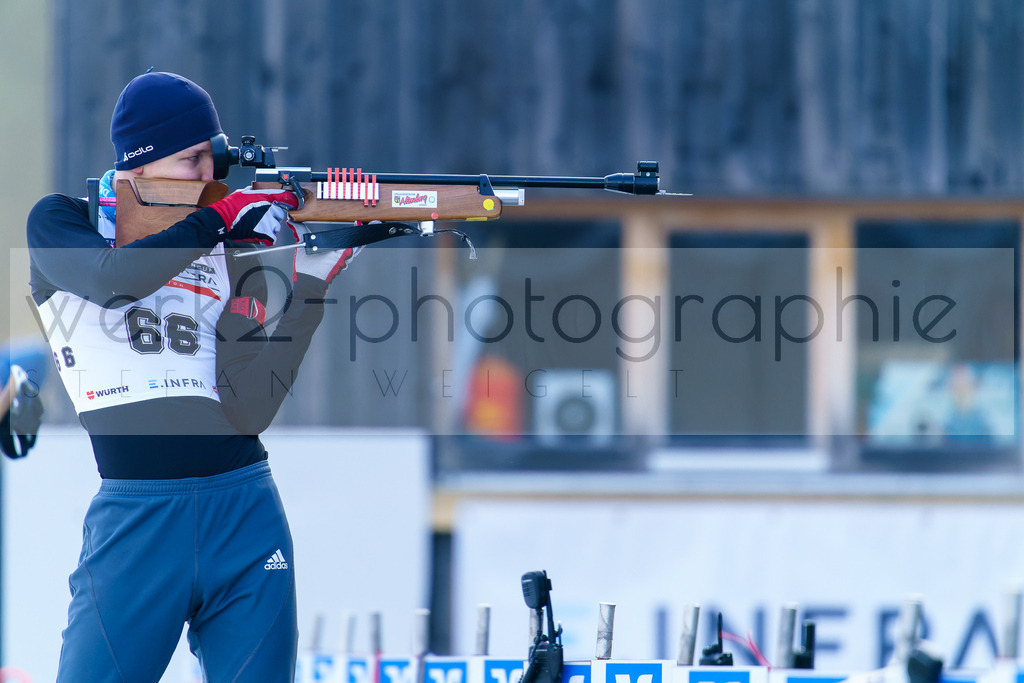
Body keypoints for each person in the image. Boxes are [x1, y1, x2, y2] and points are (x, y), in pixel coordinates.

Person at [27, 70, 357, 681]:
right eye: (193, 160)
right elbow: (111, 281)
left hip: (245, 510)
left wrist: (309, 285)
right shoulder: (60, 222)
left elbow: (248, 406)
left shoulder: (225, 246)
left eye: (215, 159)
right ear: (139, 165)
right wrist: (221, 218)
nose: (211, 177)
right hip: (136, 520)